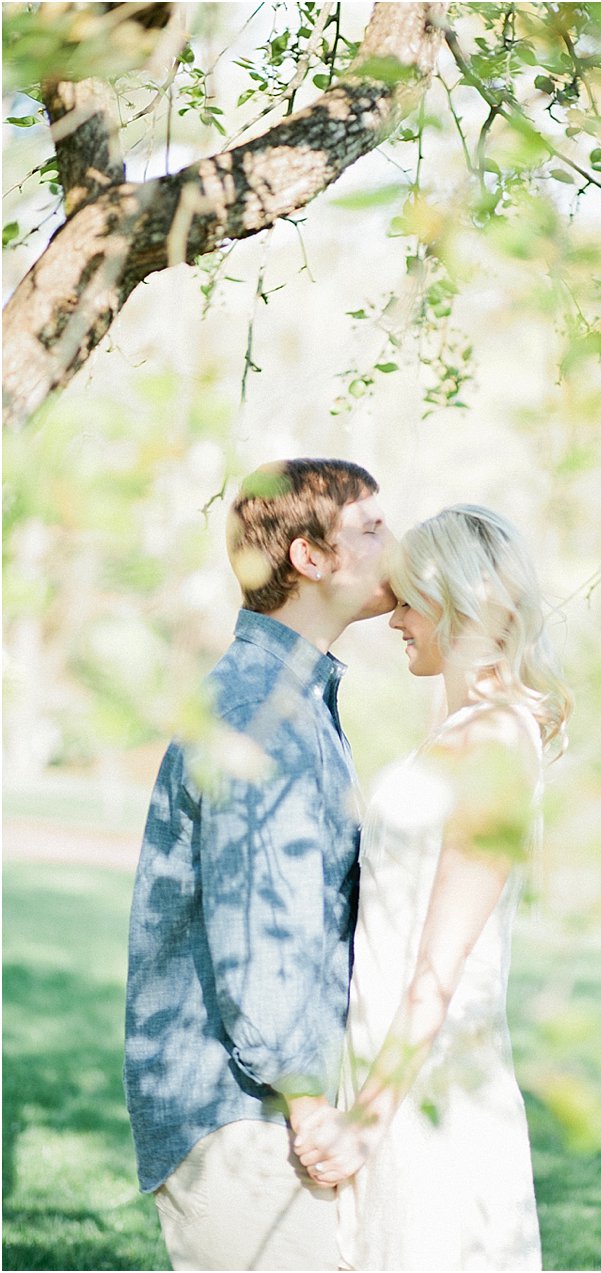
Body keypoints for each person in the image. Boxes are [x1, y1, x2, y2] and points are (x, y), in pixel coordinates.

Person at [123, 458, 395, 1272]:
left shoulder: (294, 698)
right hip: (240, 1107)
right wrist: (308, 1104)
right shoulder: (260, 710)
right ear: (310, 558)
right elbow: (260, 925)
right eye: (373, 529)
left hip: (265, 1100)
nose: (398, 546)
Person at [294, 504, 572, 1271]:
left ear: (458, 602)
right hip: (385, 1058)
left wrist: (369, 1120)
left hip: (428, 1086)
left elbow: (443, 966)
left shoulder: (494, 739)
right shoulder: (459, 727)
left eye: (411, 601)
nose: (396, 621)